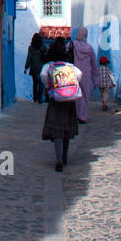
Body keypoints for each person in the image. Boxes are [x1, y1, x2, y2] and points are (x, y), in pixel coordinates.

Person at [40, 36, 83, 171]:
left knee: (57, 130)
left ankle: (58, 159)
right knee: (66, 129)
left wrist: (49, 86)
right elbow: (79, 75)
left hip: (56, 100)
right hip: (69, 101)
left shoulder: (49, 66)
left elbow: (42, 76)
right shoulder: (70, 66)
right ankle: (65, 156)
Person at [69, 26, 99, 123]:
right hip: (86, 74)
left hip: (74, 73)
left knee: (74, 94)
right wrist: (96, 81)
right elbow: (94, 65)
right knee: (85, 95)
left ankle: (74, 116)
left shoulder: (71, 45)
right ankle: (82, 117)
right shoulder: (89, 48)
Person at [24, 32, 47, 103]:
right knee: (41, 83)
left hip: (34, 67)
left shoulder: (31, 48)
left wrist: (26, 67)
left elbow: (29, 58)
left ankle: (35, 97)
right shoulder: (43, 47)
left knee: (35, 82)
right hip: (41, 66)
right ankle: (40, 98)